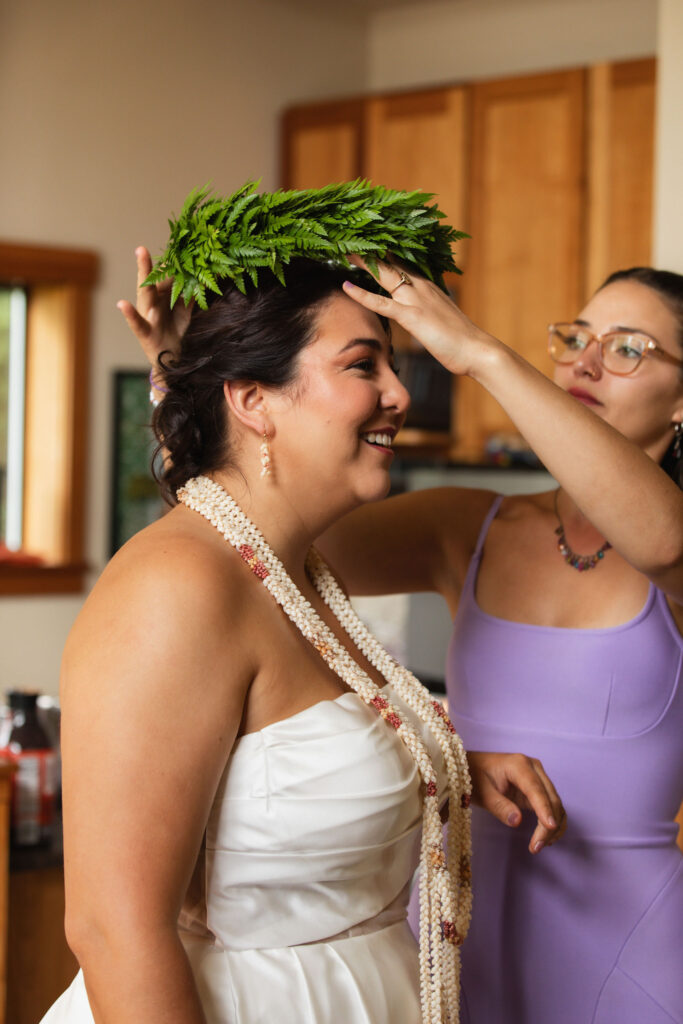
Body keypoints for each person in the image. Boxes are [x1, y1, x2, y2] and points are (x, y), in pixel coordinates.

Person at [41, 183, 566, 1024]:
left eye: (392, 365)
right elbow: (112, 929)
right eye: (363, 365)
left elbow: (280, 772)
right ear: (252, 402)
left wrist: (444, 766)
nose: (398, 394)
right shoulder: (176, 588)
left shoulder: (298, 573)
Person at [128, 236, 683, 1023]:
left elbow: (660, 539)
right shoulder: (470, 525)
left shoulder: (671, 547)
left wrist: (480, 354)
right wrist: (199, 387)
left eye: (628, 349)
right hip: (444, 942)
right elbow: (243, 541)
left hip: (626, 961)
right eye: (576, 339)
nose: (585, 364)